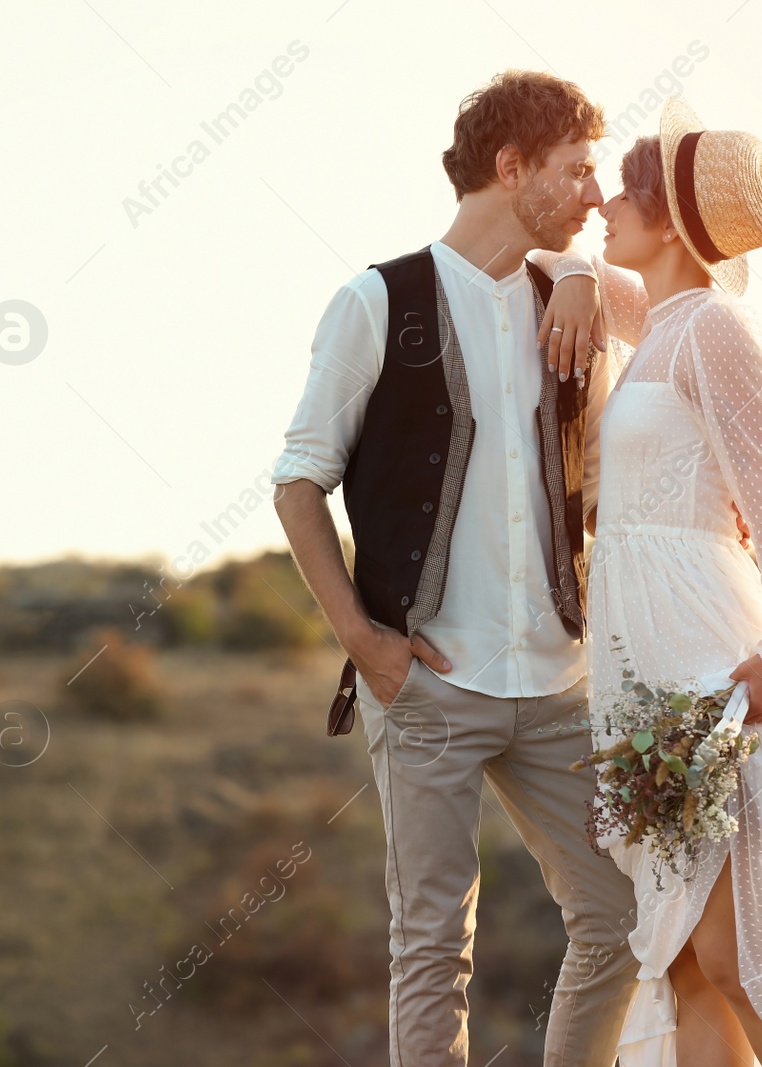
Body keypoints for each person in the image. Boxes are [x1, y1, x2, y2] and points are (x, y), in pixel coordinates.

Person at [270, 70, 640, 1066]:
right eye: (575, 172)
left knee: (622, 916)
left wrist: (580, 273)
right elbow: (297, 482)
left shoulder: (572, 305)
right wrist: (365, 644)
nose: (596, 196)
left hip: (557, 683)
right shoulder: (373, 302)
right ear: (510, 167)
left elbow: (598, 486)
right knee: (432, 946)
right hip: (428, 684)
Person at [528, 97, 762, 1066]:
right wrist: (567, 269)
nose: (603, 202)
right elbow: (545, 262)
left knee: (731, 950)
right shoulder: (659, 319)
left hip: (698, 645)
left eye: (625, 192)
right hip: (634, 650)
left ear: (671, 218)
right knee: (687, 958)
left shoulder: (717, 329)